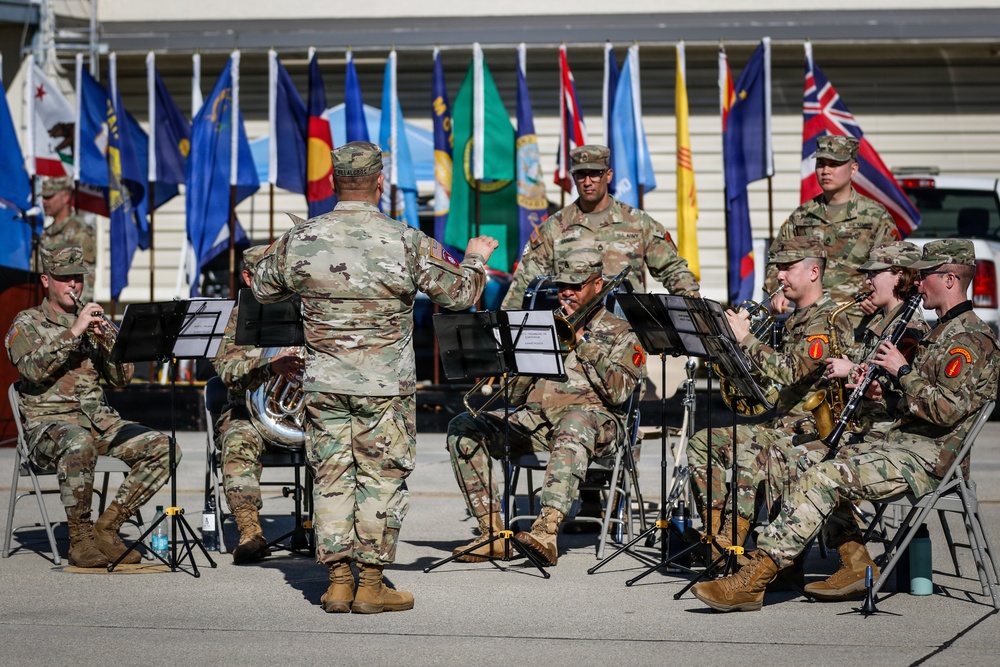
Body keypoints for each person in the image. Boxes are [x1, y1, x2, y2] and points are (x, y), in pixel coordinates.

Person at [252, 141, 498, 614]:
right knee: (380, 478)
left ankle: (338, 582)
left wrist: (290, 252)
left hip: (322, 383)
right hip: (384, 387)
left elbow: (261, 287)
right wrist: (472, 258)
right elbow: (460, 294)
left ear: (333, 182)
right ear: (379, 183)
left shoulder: (302, 238)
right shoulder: (407, 239)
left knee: (331, 477)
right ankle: (370, 583)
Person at [692, 239, 1000, 612]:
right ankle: (813, 565)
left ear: (950, 279)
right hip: (900, 444)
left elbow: (945, 411)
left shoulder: (969, 339)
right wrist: (877, 390)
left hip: (928, 458)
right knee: (802, 461)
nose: (918, 284)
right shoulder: (941, 332)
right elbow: (912, 403)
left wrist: (901, 370)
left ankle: (754, 578)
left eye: (926, 276)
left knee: (823, 476)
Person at [447, 248, 645, 566]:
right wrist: (517, 357)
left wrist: (583, 342)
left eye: (576, 285)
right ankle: (492, 534)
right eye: (562, 286)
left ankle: (546, 532)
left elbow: (619, 393)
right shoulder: (542, 324)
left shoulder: (623, 333)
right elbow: (515, 399)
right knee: (464, 427)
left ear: (598, 284)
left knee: (574, 422)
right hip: (539, 420)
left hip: (596, 423)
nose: (566, 292)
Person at [5, 244, 176, 568]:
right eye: (64, 278)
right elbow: (31, 369)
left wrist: (109, 342)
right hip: (48, 426)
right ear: (46, 280)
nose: (73, 285)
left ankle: (108, 527)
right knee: (78, 443)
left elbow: (122, 379)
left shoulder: (94, 323)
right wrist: (75, 331)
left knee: (164, 447)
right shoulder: (27, 322)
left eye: (78, 278)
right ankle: (80, 540)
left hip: (98, 422)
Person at [686, 237, 853, 561]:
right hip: (780, 426)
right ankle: (717, 538)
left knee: (755, 454)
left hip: (808, 432)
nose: (779, 276)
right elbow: (774, 381)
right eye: (778, 268)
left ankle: (728, 546)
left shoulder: (826, 320)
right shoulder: (796, 318)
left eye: (788, 268)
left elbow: (791, 372)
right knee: (702, 443)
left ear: (814, 272)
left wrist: (745, 339)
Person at [502, 144, 699, 310]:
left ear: (609, 175)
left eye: (595, 173)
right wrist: (508, 333)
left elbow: (672, 270)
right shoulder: (554, 227)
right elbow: (524, 284)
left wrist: (696, 311)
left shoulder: (639, 223)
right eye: (581, 175)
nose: (588, 182)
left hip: (626, 338)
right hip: (571, 339)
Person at [211, 245, 304, 564]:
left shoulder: (303, 308)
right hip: (247, 415)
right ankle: (251, 533)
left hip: (296, 416)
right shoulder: (232, 319)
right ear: (249, 277)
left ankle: (333, 533)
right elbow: (226, 370)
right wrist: (267, 364)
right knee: (236, 442)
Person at [766, 135, 898, 326]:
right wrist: (777, 290)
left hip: (858, 324)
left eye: (834, 164)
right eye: (821, 164)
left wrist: (877, 299)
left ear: (853, 169)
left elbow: (893, 269)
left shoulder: (875, 217)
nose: (826, 171)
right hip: (809, 323)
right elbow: (775, 261)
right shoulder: (802, 216)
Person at [37, 176, 97, 302]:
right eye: (43, 197)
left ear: (65, 197)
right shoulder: (45, 233)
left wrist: (79, 313)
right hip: (45, 311)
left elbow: (86, 279)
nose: (44, 201)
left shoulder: (80, 232)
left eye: (49, 197)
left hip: (69, 312)